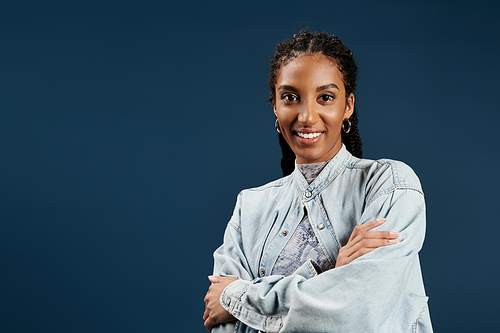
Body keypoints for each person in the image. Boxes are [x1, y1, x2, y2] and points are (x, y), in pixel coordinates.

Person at [203, 30, 433, 333]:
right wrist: (334, 277)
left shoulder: (390, 185)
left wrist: (238, 297)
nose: (307, 116)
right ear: (275, 106)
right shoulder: (251, 207)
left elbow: (359, 314)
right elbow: (226, 328)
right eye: (290, 98)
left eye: (325, 97)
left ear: (347, 105)